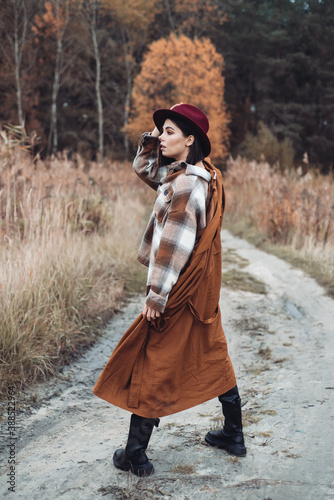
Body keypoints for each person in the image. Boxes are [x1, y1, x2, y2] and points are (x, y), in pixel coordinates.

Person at [93, 103, 246, 477]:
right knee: (212, 352)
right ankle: (233, 434)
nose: (161, 137)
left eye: (170, 132)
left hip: (178, 291)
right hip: (200, 290)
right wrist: (152, 138)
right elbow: (144, 169)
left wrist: (156, 297)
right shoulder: (201, 175)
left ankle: (135, 454)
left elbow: (172, 248)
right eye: (161, 131)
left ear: (190, 140)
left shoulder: (183, 187)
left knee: (152, 360)